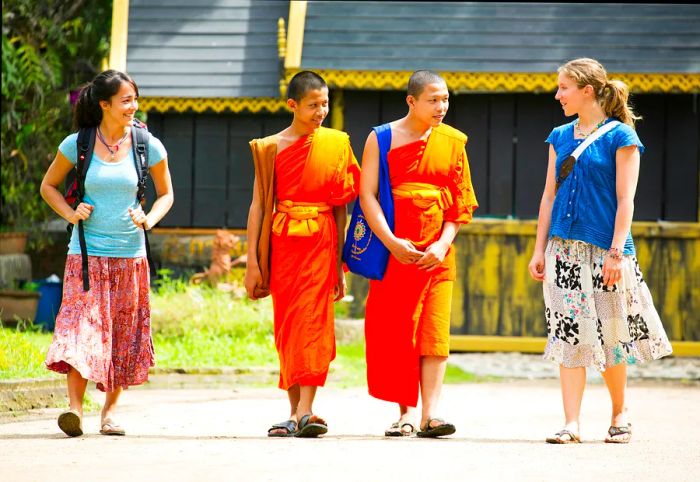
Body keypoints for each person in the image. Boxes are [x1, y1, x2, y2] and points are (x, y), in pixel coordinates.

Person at [528, 58, 672, 444]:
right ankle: (570, 423)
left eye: (564, 88)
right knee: (567, 334)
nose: (558, 95)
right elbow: (548, 196)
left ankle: (619, 412)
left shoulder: (620, 136)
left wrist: (615, 253)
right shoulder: (558, 135)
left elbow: (626, 200)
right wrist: (540, 248)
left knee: (613, 334)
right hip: (563, 249)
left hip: (606, 251)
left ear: (587, 90)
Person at [40, 70, 174, 437]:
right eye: (125, 100)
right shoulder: (77, 144)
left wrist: (148, 218)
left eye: (135, 99)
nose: (133, 107)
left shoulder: (148, 144)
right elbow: (48, 186)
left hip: (131, 259)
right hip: (84, 257)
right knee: (80, 330)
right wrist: (71, 213)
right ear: (104, 104)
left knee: (121, 335)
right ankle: (74, 411)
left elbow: (166, 194)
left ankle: (110, 413)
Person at [360, 70, 478, 437]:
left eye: (445, 99)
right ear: (411, 101)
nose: (441, 107)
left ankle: (431, 414)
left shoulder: (454, 141)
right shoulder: (381, 138)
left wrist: (443, 243)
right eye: (433, 100)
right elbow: (367, 196)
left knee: (434, 333)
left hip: (438, 256)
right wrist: (392, 242)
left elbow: (460, 202)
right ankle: (406, 412)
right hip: (397, 252)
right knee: (399, 333)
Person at [245, 71, 360, 438]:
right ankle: (294, 411)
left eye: (325, 104)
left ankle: (306, 409)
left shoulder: (336, 143)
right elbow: (259, 206)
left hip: (322, 243)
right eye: (313, 105)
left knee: (313, 324)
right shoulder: (270, 147)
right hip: (283, 244)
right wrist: (252, 261)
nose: (321, 112)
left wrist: (341, 264)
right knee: (288, 326)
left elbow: (341, 206)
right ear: (293, 105)